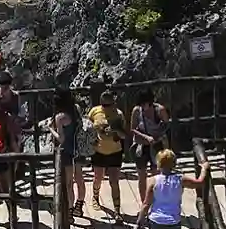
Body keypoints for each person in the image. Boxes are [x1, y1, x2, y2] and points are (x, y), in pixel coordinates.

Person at [134, 149, 209, 229]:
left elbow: (146, 204)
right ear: (174, 164)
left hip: (156, 221)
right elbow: (199, 183)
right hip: (173, 222)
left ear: (158, 164)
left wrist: (139, 222)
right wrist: (204, 169)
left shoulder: (153, 181)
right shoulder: (180, 179)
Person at [88, 90, 126, 220]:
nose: (108, 108)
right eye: (105, 105)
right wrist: (91, 141)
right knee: (98, 177)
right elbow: (87, 128)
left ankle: (117, 210)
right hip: (98, 150)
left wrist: (115, 130)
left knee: (114, 181)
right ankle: (95, 196)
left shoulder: (119, 114)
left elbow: (124, 135)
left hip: (115, 150)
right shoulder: (94, 112)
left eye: (110, 105)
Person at [49, 88, 86, 217]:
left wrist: (50, 129)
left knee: (69, 183)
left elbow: (61, 138)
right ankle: (79, 206)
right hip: (78, 149)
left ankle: (69, 211)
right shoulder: (76, 109)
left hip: (66, 152)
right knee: (80, 179)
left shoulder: (60, 117)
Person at [131, 91, 171, 201]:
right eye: (141, 105)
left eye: (145, 104)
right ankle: (144, 202)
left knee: (157, 174)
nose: (143, 107)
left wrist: (158, 136)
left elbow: (167, 125)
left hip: (157, 144)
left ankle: (158, 200)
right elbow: (133, 129)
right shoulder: (136, 111)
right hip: (142, 145)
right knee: (141, 175)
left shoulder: (160, 110)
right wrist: (146, 137)